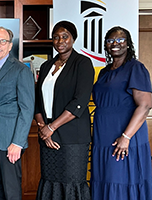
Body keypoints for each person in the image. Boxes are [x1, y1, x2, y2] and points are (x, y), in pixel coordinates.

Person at [34, 21, 94, 200]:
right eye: (56, 37)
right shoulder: (46, 66)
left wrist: (51, 128)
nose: (60, 41)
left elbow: (80, 102)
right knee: (50, 180)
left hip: (72, 136)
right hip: (48, 137)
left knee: (71, 182)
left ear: (73, 39)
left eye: (65, 36)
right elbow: (38, 101)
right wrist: (44, 128)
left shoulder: (82, 63)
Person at [91, 26, 152, 200]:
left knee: (121, 180)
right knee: (104, 180)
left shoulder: (136, 68)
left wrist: (126, 137)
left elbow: (145, 105)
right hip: (103, 138)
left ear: (128, 44)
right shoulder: (104, 72)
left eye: (120, 40)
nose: (115, 44)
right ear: (106, 45)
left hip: (124, 138)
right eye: (110, 41)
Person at [0, 26, 34, 200]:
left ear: (10, 45)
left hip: (11, 142)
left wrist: (18, 143)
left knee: (11, 191)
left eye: (2, 41)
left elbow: (27, 109)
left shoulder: (21, 70)